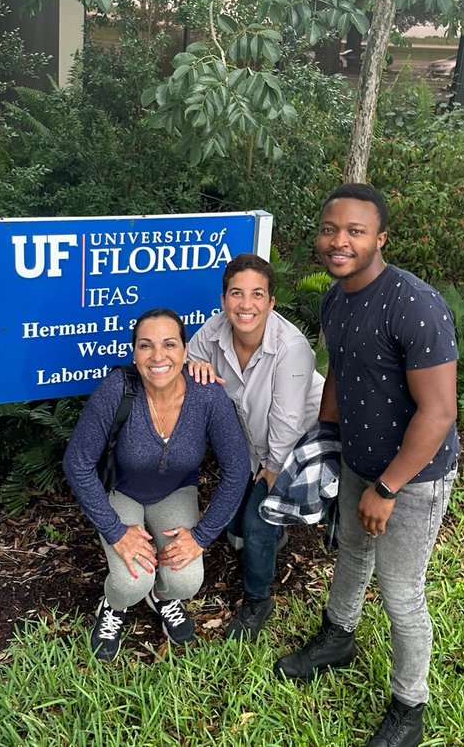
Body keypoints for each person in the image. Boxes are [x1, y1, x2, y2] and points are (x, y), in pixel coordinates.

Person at [275, 183, 460, 747]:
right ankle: (338, 637)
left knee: (401, 592)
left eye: (355, 231)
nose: (340, 241)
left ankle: (409, 707)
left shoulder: (414, 305)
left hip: (413, 477)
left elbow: (439, 411)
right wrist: (325, 439)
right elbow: (340, 369)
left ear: (380, 239)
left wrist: (388, 487)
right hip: (356, 459)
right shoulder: (335, 299)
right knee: (351, 552)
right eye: (330, 230)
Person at [63, 308, 250, 661]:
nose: (158, 356)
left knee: (185, 582)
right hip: (121, 490)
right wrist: (116, 531)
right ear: (134, 353)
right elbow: (77, 463)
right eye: (146, 345)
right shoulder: (117, 389)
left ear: (185, 350)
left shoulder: (206, 395)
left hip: (175, 491)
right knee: (130, 581)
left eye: (169, 344)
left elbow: (237, 469)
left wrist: (202, 536)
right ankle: (114, 605)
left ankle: (162, 597)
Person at [186, 253, 323, 638]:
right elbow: (189, 359)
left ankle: (257, 601)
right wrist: (195, 366)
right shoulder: (214, 330)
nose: (246, 304)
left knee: (257, 519)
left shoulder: (291, 347)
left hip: (298, 443)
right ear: (223, 299)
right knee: (233, 527)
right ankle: (273, 536)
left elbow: (287, 419)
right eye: (236, 293)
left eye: (257, 294)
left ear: (271, 302)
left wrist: (274, 469)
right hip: (253, 440)